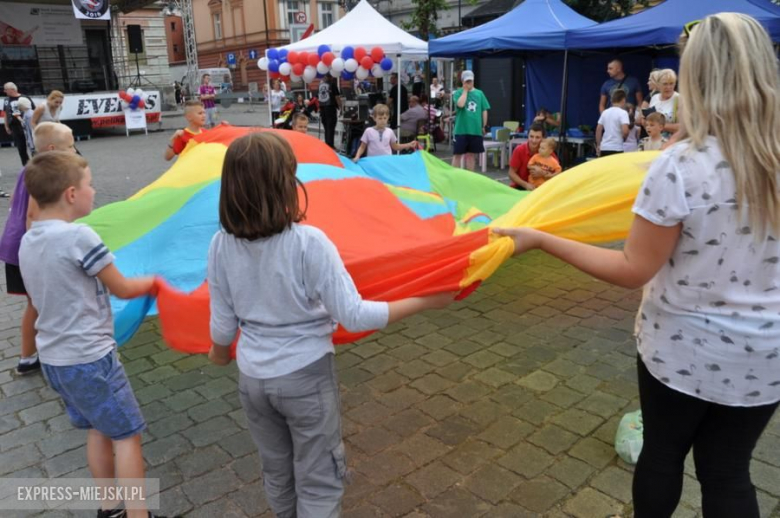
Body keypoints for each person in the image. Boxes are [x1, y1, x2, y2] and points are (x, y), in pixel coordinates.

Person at [495, 13, 780, 518]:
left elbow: (633, 269)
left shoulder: (680, 167)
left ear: (695, 79)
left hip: (682, 351)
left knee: (663, 456)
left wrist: (541, 239)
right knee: (729, 473)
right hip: (764, 356)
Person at [206, 132, 455, 518]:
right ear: (285, 186)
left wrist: (219, 353)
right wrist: (425, 301)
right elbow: (353, 314)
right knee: (319, 476)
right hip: (305, 378)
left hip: (253, 381)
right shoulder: (308, 243)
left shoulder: (221, 245)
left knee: (277, 469)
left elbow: (222, 326)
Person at [20, 151, 167, 518]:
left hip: (55, 359)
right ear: (71, 194)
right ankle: (138, 514)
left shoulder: (29, 240)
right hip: (91, 359)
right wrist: (155, 281)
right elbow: (122, 288)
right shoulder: (78, 237)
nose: (94, 190)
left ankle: (109, 507)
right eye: (89, 185)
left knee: (97, 428)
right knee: (127, 435)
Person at [0, 122, 76, 376]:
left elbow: (13, 200)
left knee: (36, 304)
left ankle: (29, 356)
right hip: (27, 247)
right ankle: (35, 355)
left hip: (15, 245)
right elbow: (33, 214)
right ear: (53, 149)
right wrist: (42, 246)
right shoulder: (47, 172)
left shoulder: (28, 169)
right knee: (38, 304)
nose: (74, 151)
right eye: (71, 146)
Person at [451, 70, 490, 172]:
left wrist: (484, 125)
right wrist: (465, 91)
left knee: (471, 155)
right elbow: (460, 105)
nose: (469, 83)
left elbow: (484, 110)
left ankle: (470, 177)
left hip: (475, 130)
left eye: (470, 81)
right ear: (463, 81)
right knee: (457, 154)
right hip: (461, 130)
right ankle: (454, 176)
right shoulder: (458, 93)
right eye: (466, 81)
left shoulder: (479, 93)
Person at [353, 104, 418, 161]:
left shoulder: (390, 131)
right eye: (380, 118)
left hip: (386, 161)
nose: (383, 121)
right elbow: (362, 147)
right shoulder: (368, 131)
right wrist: (357, 156)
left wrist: (408, 144)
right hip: (372, 162)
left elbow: (395, 146)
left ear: (388, 118)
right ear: (374, 118)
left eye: (385, 118)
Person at [508, 123, 555, 191]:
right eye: (531, 136)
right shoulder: (519, 150)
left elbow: (557, 174)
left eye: (537, 137)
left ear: (543, 138)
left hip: (542, 188)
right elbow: (511, 173)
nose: (534, 140)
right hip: (520, 187)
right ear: (527, 136)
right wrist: (525, 185)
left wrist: (543, 173)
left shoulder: (548, 151)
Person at [3, 82, 35, 166]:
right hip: (15, 127)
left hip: (27, 125)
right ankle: (26, 165)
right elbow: (5, 113)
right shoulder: (6, 100)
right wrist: (6, 126)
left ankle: (36, 164)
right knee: (21, 147)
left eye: (6, 89)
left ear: (12, 89)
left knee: (32, 145)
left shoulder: (25, 97)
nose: (4, 91)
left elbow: (33, 110)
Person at [646, 68, 681, 135]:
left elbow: (682, 127)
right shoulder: (654, 98)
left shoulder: (679, 99)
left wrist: (657, 126)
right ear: (658, 84)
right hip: (655, 142)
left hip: (672, 143)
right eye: (665, 84)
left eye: (671, 84)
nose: (668, 87)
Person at [596, 90, 630, 157]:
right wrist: (624, 138)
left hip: (604, 147)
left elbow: (598, 129)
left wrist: (598, 145)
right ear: (623, 100)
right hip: (617, 148)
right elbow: (625, 131)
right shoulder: (623, 113)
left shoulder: (605, 112)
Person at [318, 75, 341, 149]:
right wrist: (340, 107)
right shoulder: (332, 84)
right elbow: (337, 97)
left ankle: (327, 144)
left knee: (326, 127)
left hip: (322, 108)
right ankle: (330, 145)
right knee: (331, 127)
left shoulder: (320, 85)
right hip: (330, 107)